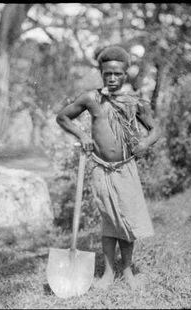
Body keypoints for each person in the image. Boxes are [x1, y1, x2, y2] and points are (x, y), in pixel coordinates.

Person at [56, 45, 162, 290]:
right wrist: (82, 134)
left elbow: (155, 130)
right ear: (101, 73)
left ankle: (127, 270)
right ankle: (108, 273)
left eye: (118, 74)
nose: (112, 79)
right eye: (108, 74)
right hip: (101, 168)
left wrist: (144, 143)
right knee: (109, 221)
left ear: (126, 74)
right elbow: (62, 117)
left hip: (125, 168)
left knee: (126, 222)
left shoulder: (135, 103)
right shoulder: (91, 98)